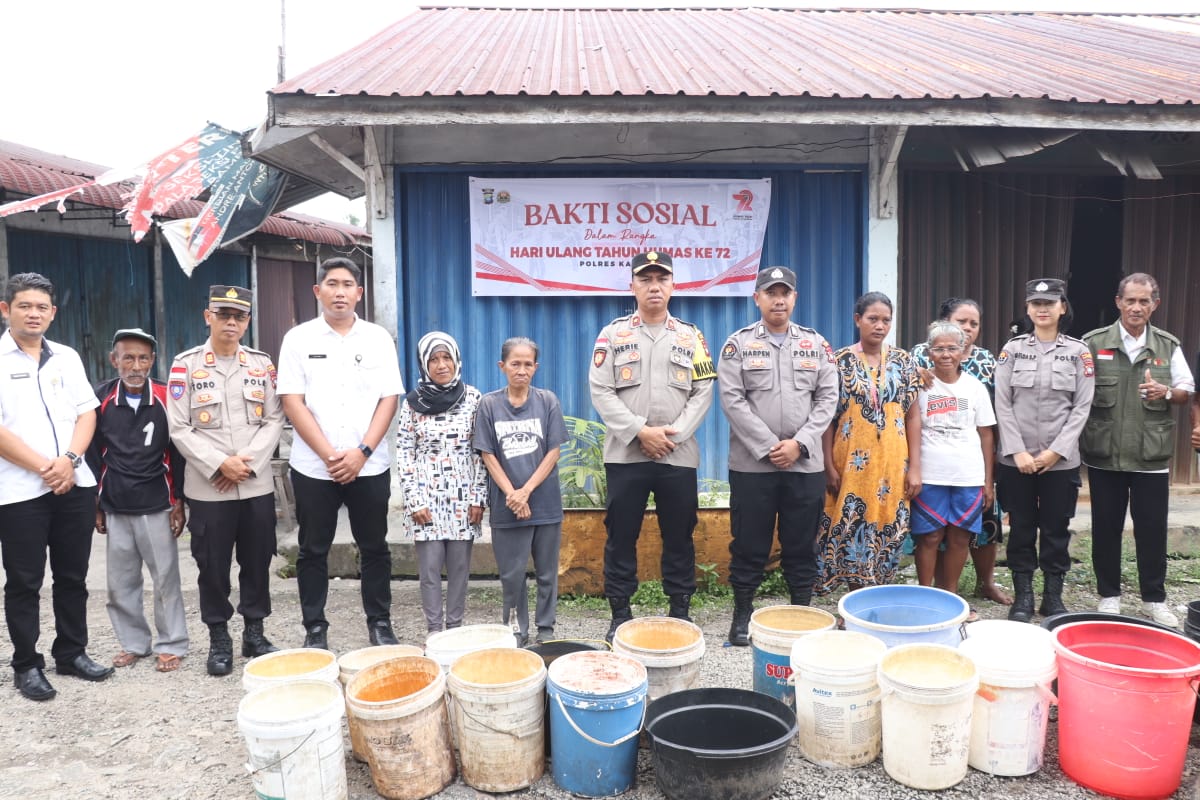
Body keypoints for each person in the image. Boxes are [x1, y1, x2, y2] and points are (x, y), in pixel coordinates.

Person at [276, 258, 404, 650]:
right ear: (318, 291)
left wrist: (363, 451)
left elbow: (389, 397)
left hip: (370, 464)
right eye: (332, 284)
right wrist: (332, 455)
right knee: (313, 549)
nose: (340, 292)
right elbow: (292, 401)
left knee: (375, 547)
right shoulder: (298, 339)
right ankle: (315, 629)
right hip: (316, 467)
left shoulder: (378, 338)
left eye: (348, 284)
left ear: (359, 293)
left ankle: (379, 622)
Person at [588, 250, 716, 641]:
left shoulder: (691, 336)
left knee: (679, 532)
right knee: (620, 534)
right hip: (626, 453)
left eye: (662, 279)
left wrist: (670, 435)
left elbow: (703, 390)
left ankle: (679, 610)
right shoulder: (612, 334)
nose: (654, 286)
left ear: (673, 286)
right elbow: (601, 390)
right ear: (632, 286)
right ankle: (620, 613)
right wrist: (641, 431)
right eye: (646, 279)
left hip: (677, 455)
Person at [0, 272, 109, 701]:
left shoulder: (66, 357)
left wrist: (69, 461)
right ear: (6, 309)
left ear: (52, 313)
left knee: (72, 576)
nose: (34, 314)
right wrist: (45, 467)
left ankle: (71, 652)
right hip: (20, 490)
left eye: (42, 307)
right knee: (24, 581)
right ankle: (26, 664)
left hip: (74, 483)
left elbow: (87, 413)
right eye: (25, 306)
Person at [166, 285, 285, 675]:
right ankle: (219, 638)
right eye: (223, 315)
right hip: (209, 487)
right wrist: (220, 464)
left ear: (247, 321)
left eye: (239, 317)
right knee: (212, 566)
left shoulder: (261, 365)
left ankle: (254, 633)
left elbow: (273, 419)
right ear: (208, 317)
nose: (231, 323)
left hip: (254, 483)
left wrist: (245, 466)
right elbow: (179, 427)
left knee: (257, 560)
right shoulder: (185, 365)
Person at [717, 266, 838, 646]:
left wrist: (799, 444)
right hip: (754, 465)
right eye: (771, 293)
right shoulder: (737, 345)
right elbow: (732, 399)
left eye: (785, 292)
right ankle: (742, 616)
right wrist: (770, 445)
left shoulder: (815, 345)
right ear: (758, 298)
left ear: (795, 299)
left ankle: (801, 612)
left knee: (801, 544)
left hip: (804, 465)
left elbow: (827, 398)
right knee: (749, 543)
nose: (779, 299)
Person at [1082, 273, 1193, 627]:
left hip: (1150, 456)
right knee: (1106, 527)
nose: (1136, 307)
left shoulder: (1167, 345)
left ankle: (1154, 599)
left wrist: (1168, 392)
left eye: (1144, 301)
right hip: (1105, 454)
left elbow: (1186, 388)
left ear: (1154, 305)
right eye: (1130, 300)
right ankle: (1109, 595)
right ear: (1118, 302)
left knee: (1151, 529)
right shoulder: (1093, 343)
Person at [87, 328, 188, 673]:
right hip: (116, 504)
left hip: (156, 502)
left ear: (152, 361)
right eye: (127, 357)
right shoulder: (98, 398)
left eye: (143, 358)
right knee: (120, 583)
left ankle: (171, 643)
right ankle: (133, 643)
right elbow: (92, 453)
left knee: (166, 579)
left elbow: (178, 453)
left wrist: (179, 501)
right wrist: (97, 503)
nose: (135, 365)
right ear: (114, 360)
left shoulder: (165, 396)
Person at [995, 278, 1094, 623]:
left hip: (1060, 462)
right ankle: (1023, 597)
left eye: (1050, 303)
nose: (1042, 309)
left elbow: (1082, 407)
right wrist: (1017, 451)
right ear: (1027, 308)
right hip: (1016, 460)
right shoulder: (1012, 350)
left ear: (1062, 308)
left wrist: (1056, 451)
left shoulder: (1079, 352)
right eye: (1036, 304)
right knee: (1021, 527)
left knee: (1055, 529)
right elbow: (1002, 404)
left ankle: (1053, 597)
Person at [816, 291, 921, 593]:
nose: (880, 325)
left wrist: (915, 467)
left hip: (892, 462)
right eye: (873, 319)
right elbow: (827, 418)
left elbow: (913, 416)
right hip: (850, 463)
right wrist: (827, 465)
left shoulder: (904, 362)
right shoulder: (838, 362)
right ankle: (852, 600)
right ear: (857, 319)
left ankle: (876, 597)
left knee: (890, 523)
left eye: (886, 320)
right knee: (850, 526)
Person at [910, 297, 1011, 606]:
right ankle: (925, 596)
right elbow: (911, 423)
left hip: (967, 473)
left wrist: (987, 480)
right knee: (929, 536)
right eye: (939, 349)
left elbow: (986, 434)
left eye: (952, 349)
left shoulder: (975, 386)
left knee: (959, 537)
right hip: (931, 473)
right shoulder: (919, 380)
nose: (946, 354)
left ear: (962, 353)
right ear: (929, 352)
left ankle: (950, 599)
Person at [474, 337, 568, 646]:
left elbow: (553, 451)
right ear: (502, 366)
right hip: (506, 506)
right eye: (515, 363)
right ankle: (517, 629)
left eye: (528, 364)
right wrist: (512, 494)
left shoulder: (547, 401)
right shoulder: (489, 405)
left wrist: (525, 491)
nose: (522, 370)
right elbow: (488, 454)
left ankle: (545, 630)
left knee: (546, 573)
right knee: (512, 576)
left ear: (536, 367)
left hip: (544, 504)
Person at [398, 331, 487, 633]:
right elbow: (404, 452)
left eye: (446, 357)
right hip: (427, 497)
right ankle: (435, 633)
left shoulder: (474, 399)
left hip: (464, 497)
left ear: (456, 360)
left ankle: (456, 629)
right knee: (430, 570)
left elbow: (482, 451)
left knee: (460, 570)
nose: (441, 365)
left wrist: (479, 496)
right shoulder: (411, 403)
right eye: (433, 359)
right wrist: (413, 500)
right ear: (424, 364)